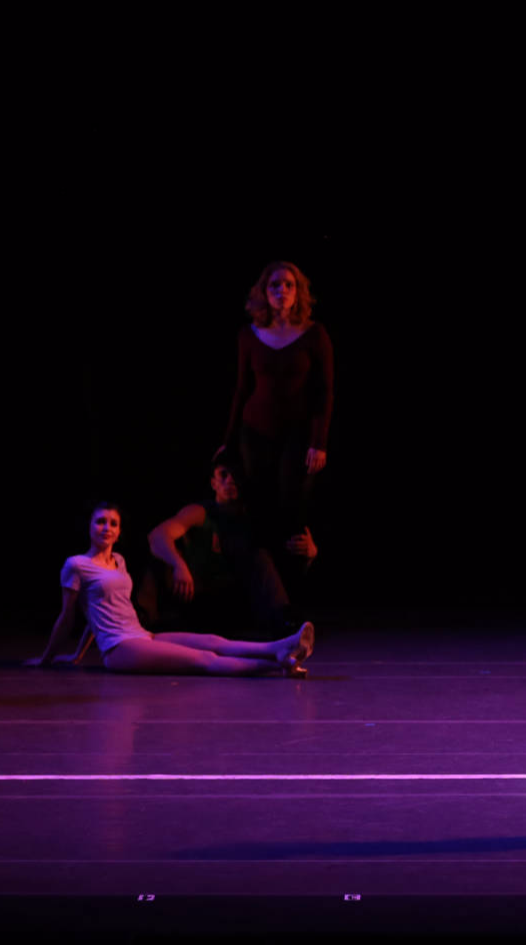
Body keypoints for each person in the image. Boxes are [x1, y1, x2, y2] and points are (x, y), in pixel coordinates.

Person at [34, 503, 315, 677]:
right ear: (89, 527)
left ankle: (279, 648)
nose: (106, 528)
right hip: (120, 648)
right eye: (100, 521)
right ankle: (279, 664)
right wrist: (47, 659)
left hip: (143, 635)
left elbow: (96, 614)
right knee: (205, 660)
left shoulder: (118, 561)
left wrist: (79, 654)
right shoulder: (76, 565)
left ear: (119, 532)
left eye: (113, 523)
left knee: (214, 641)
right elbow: (69, 616)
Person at [221, 261, 334, 572]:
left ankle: (295, 572)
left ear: (298, 293)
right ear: (264, 292)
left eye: (288, 285)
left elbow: (324, 392)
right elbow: (242, 389)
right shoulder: (249, 335)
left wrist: (319, 442)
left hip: (298, 432)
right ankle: (264, 577)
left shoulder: (314, 335)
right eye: (274, 285)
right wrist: (229, 440)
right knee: (259, 502)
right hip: (255, 431)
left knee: (292, 501)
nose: (281, 290)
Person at [136, 458, 314, 637]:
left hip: (236, 599)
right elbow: (156, 536)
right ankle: (140, 624)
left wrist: (310, 553)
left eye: (236, 475)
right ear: (213, 483)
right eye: (223, 475)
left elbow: (281, 564)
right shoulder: (201, 512)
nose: (230, 480)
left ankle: (285, 625)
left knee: (262, 556)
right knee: (159, 555)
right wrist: (178, 564)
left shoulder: (255, 517)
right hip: (196, 595)